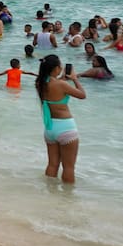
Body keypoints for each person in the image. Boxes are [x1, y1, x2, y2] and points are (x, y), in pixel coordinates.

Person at [36, 54, 85, 183]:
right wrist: (74, 79)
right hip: (65, 127)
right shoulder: (61, 84)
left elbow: (53, 85)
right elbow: (82, 95)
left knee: (52, 164)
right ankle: (67, 198)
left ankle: (50, 192)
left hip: (50, 128)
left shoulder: (39, 83)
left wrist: (62, 78)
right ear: (57, 68)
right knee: (68, 167)